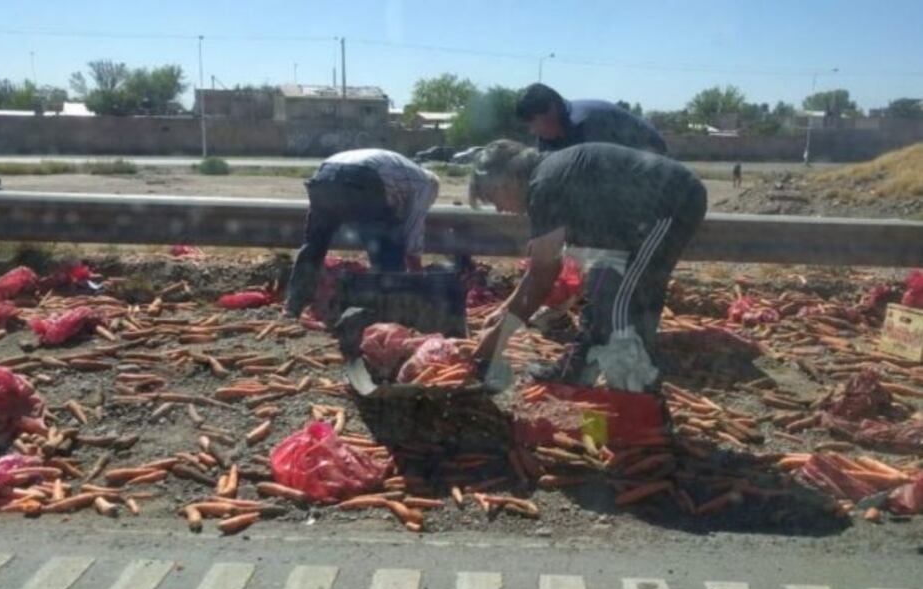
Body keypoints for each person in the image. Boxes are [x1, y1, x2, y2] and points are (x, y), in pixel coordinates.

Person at [468, 140, 707, 392]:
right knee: (601, 293)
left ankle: (641, 403)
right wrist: (504, 312)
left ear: (505, 181)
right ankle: (577, 370)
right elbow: (541, 269)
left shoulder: (545, 186)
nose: (498, 209)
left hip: (669, 203)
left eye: (492, 198)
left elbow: (542, 278)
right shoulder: (545, 179)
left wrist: (496, 340)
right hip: (626, 225)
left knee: (623, 305)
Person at [285, 149, 439, 317]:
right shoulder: (425, 183)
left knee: (314, 246)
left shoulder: (403, 170)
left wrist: (315, 230)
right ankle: (388, 310)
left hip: (325, 173)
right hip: (362, 178)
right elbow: (413, 229)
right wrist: (417, 277)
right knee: (388, 250)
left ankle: (293, 305)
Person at [515, 83, 668, 155]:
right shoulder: (547, 138)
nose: (532, 131)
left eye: (534, 123)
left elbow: (602, 172)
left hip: (651, 156)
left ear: (551, 110)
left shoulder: (587, 124)